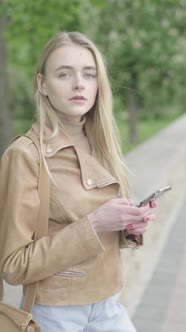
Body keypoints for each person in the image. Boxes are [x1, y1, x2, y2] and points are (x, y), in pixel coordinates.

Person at [0, 31, 156, 332]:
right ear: (42, 85)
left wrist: (129, 225)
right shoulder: (25, 155)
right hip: (55, 315)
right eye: (64, 74)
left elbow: (100, 231)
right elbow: (13, 265)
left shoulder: (103, 144)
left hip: (109, 305)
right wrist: (95, 223)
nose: (79, 84)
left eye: (89, 74)